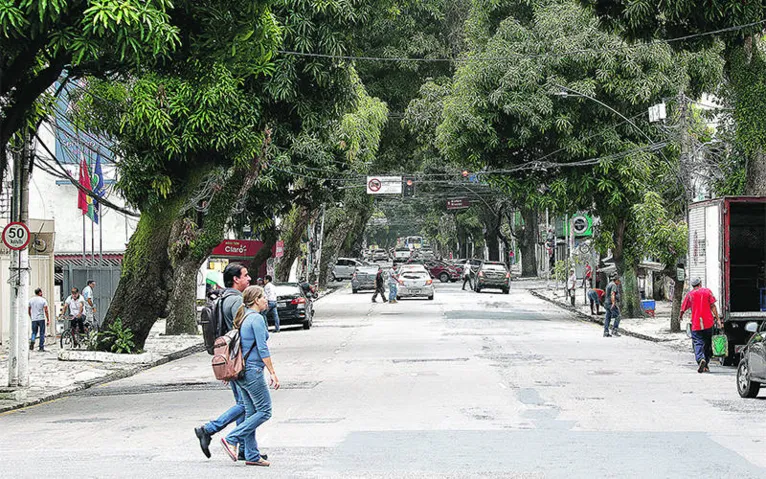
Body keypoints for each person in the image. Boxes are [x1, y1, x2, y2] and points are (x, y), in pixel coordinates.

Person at [195, 263, 259, 461]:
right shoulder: (237, 301)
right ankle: (208, 429)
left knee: (244, 404)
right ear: (235, 279)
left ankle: (245, 450)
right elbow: (242, 332)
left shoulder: (223, 298)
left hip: (229, 359)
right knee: (251, 406)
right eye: (245, 276)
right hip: (239, 360)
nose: (249, 279)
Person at [221, 285, 279, 467]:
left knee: (251, 412)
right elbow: (262, 348)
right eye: (263, 297)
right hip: (252, 370)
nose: (266, 300)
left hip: (241, 372)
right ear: (255, 300)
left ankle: (252, 455)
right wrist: (273, 373)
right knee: (265, 411)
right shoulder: (256, 319)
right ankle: (232, 438)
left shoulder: (243, 316)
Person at [680, 277, 722, 373]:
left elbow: (683, 308)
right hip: (708, 323)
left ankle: (700, 359)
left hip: (696, 324)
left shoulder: (690, 295)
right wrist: (718, 319)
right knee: (707, 344)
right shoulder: (707, 292)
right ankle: (706, 364)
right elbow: (713, 306)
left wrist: (680, 316)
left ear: (692, 285)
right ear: (700, 283)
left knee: (697, 342)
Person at [603, 273, 622, 337]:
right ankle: (615, 330)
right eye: (619, 281)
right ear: (616, 280)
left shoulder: (609, 284)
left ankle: (606, 332)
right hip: (610, 303)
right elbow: (612, 294)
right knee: (618, 316)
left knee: (607, 317)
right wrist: (613, 303)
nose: (619, 282)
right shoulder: (614, 285)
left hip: (606, 303)